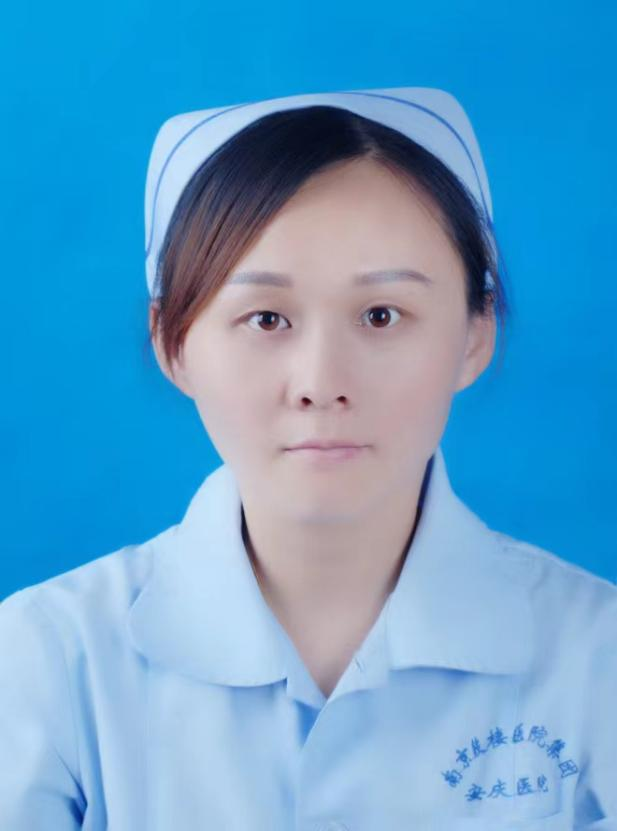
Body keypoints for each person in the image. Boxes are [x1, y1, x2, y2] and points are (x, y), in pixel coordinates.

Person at [0, 86, 615, 831]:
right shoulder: (45, 659)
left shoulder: (597, 658)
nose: (321, 383)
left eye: (381, 315)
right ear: (173, 345)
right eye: (266, 318)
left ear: (475, 335)